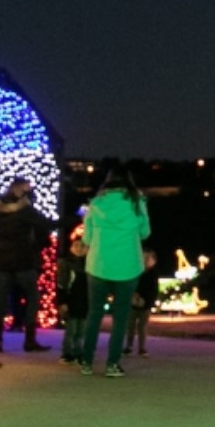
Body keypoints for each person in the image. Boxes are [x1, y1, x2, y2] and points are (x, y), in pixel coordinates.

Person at [81, 161, 151, 378]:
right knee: (121, 316)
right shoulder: (137, 202)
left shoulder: (96, 203)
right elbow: (145, 232)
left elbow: (87, 238)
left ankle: (86, 361)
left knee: (94, 314)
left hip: (98, 264)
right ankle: (112, 363)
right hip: (127, 265)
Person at [0, 177, 54, 352]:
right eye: (27, 189)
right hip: (23, 260)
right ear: (19, 189)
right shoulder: (25, 210)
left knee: (1, 300)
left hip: (3, 259)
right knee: (32, 298)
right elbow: (45, 223)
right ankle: (29, 340)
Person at [57, 222, 92, 364]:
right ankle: (68, 353)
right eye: (76, 245)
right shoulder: (66, 264)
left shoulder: (90, 265)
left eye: (82, 246)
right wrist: (62, 302)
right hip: (71, 302)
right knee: (71, 330)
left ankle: (80, 353)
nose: (79, 248)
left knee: (82, 331)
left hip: (85, 303)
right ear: (71, 247)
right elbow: (62, 285)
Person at [125, 248, 164, 357]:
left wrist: (147, 301)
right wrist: (133, 295)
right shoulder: (135, 270)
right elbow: (130, 284)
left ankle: (142, 348)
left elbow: (154, 290)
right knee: (130, 325)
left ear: (153, 260)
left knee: (142, 327)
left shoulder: (154, 273)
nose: (146, 260)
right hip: (133, 302)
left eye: (148, 258)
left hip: (146, 304)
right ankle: (129, 346)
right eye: (144, 257)